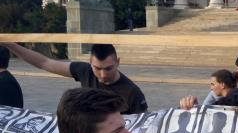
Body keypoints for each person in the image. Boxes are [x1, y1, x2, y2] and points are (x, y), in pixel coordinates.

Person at [3, 43, 147, 115]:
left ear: (118, 62)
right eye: (97, 68)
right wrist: (8, 44)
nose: (103, 75)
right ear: (90, 62)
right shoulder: (85, 71)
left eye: (108, 68)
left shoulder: (132, 93)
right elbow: (44, 63)